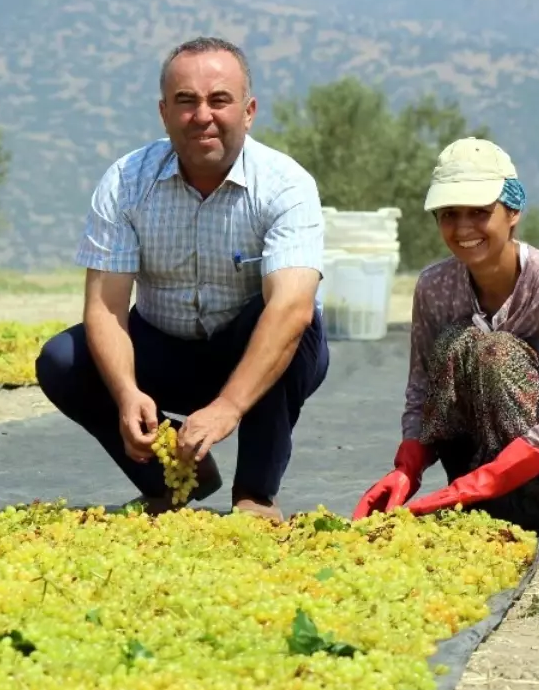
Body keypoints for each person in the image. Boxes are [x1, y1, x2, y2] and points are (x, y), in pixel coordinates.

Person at [35, 36, 330, 523]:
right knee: (63, 360)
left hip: (254, 349)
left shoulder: (285, 184)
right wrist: (127, 393)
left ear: (249, 111)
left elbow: (291, 309)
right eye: (185, 101)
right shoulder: (127, 180)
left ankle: (255, 493)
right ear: (164, 113)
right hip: (165, 347)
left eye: (219, 100)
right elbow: (106, 306)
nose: (202, 115)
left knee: (281, 321)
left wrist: (229, 407)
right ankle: (173, 478)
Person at [352, 138, 539, 548]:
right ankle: (475, 501)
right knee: (457, 344)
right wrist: (407, 468)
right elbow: (422, 388)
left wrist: (492, 477)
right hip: (490, 472)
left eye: (480, 213)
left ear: (513, 212)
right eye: (450, 214)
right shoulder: (435, 287)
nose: (463, 229)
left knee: (491, 349)